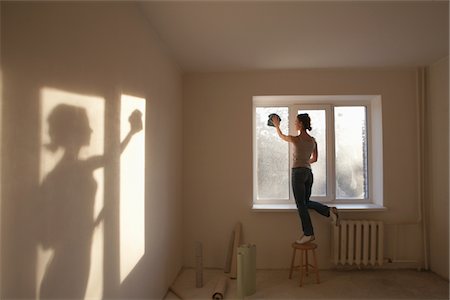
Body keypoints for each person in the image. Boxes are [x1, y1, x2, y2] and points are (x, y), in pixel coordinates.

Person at [38, 104, 142, 298]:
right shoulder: (63, 173)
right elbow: (49, 235)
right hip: (68, 264)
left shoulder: (77, 167)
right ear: (73, 133)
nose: (92, 130)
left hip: (78, 257)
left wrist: (95, 221)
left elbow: (110, 158)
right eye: (87, 125)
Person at [272, 113, 339, 244]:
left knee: (301, 205)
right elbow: (315, 159)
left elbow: (281, 136)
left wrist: (276, 126)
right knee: (305, 202)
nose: (295, 124)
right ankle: (329, 211)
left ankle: (308, 233)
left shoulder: (296, 139)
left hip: (298, 173)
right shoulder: (313, 141)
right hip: (308, 173)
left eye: (296, 122)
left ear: (301, 124)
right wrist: (305, 162)